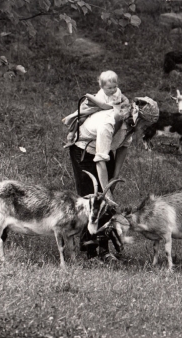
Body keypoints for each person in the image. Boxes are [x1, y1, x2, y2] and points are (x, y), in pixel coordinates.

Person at [68, 76, 159, 262]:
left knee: (107, 205)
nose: (146, 129)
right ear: (138, 117)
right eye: (145, 124)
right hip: (86, 153)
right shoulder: (109, 122)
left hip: (106, 153)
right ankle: (90, 251)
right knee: (94, 202)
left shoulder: (131, 126)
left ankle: (104, 250)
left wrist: (115, 176)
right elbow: (99, 160)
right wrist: (106, 192)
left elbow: (123, 147)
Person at [63, 70, 123, 148]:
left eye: (115, 86)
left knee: (119, 117)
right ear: (102, 87)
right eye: (109, 88)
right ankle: (71, 134)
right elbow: (103, 105)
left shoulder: (117, 91)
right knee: (81, 118)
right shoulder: (100, 95)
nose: (113, 90)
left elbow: (115, 103)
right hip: (96, 107)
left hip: (108, 108)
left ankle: (112, 135)